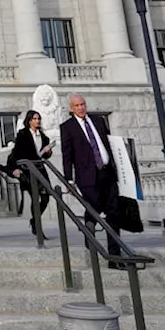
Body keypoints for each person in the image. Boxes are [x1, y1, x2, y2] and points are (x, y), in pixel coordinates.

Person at [59, 94, 124, 262]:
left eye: (83, 104)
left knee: (114, 212)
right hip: (87, 175)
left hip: (107, 172)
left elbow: (108, 143)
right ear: (71, 108)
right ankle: (89, 234)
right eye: (77, 105)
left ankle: (115, 254)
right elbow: (67, 155)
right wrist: (69, 180)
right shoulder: (67, 127)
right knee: (93, 208)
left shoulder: (99, 121)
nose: (81, 108)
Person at [5, 110, 53, 234]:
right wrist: (14, 168)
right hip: (28, 170)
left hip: (40, 169)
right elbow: (16, 153)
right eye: (35, 119)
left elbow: (44, 156)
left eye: (39, 119)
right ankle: (37, 226)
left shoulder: (42, 136)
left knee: (46, 196)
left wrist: (48, 152)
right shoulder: (23, 134)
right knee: (35, 197)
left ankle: (34, 220)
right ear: (30, 120)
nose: (37, 121)